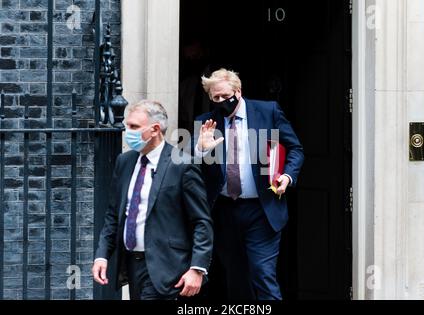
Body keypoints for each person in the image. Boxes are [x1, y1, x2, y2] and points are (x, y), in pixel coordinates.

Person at [194, 68, 304, 300]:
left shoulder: (267, 112)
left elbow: (295, 148)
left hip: (261, 209)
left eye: (226, 96)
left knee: (262, 273)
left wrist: (288, 176)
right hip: (224, 210)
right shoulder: (206, 123)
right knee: (235, 276)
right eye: (216, 98)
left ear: (238, 91)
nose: (222, 101)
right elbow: (191, 169)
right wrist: (200, 150)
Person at [92, 100, 213, 300]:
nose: (127, 131)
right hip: (131, 265)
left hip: (166, 266)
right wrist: (102, 255)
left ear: (155, 129)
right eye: (127, 126)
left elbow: (201, 221)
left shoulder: (182, 164)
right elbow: (114, 214)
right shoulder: (125, 161)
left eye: (134, 127)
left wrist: (197, 268)